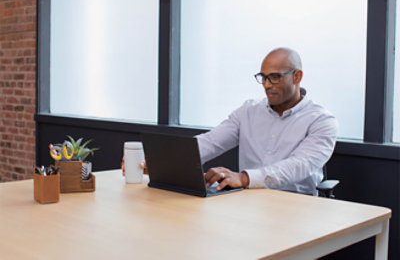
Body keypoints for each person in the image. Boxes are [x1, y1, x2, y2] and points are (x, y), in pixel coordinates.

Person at [122, 47, 338, 196]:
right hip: (248, 201)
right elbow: (211, 142)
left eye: (275, 77)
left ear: (297, 76)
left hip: (297, 206)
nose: (267, 85)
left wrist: (244, 178)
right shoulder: (248, 111)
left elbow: (298, 167)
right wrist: (162, 161)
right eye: (263, 77)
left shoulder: (321, 121)